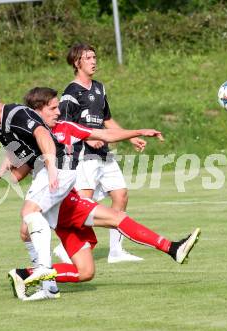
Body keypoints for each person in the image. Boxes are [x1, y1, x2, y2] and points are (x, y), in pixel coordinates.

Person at [0, 87, 200, 301]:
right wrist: (6, 171)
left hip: (59, 204)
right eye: (52, 108)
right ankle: (172, 248)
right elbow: (23, 164)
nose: (58, 112)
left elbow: (104, 133)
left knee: (85, 272)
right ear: (36, 111)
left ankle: (25, 274)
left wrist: (137, 132)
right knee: (117, 218)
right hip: (63, 201)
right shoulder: (36, 134)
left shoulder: (65, 127)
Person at [0, 81, 77, 287]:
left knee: (29, 212)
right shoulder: (1, 128)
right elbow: (20, 157)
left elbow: (42, 134)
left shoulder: (17, 113)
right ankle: (48, 287)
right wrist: (1, 171)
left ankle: (44, 269)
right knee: (25, 231)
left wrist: (52, 167)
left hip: (59, 166)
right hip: (46, 170)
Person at [57, 42, 147, 264]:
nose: (94, 61)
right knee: (83, 204)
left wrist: (129, 136)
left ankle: (115, 251)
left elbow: (106, 120)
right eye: (88, 58)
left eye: (94, 57)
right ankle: (65, 247)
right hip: (83, 158)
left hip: (104, 154)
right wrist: (90, 139)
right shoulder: (70, 93)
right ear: (77, 62)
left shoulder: (99, 88)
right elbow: (64, 128)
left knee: (121, 195)